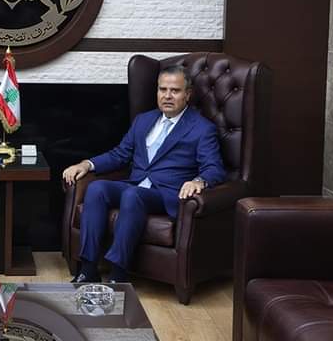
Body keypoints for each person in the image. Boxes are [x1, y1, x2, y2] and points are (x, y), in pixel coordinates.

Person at [62, 65, 225, 283]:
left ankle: (118, 274)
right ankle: (88, 268)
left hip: (166, 193)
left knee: (133, 195)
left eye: (175, 91)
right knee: (96, 188)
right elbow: (120, 154)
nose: (167, 96)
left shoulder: (202, 128)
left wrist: (199, 181)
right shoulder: (144, 120)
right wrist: (87, 164)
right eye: (162, 89)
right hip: (136, 185)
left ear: (187, 94)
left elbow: (214, 168)